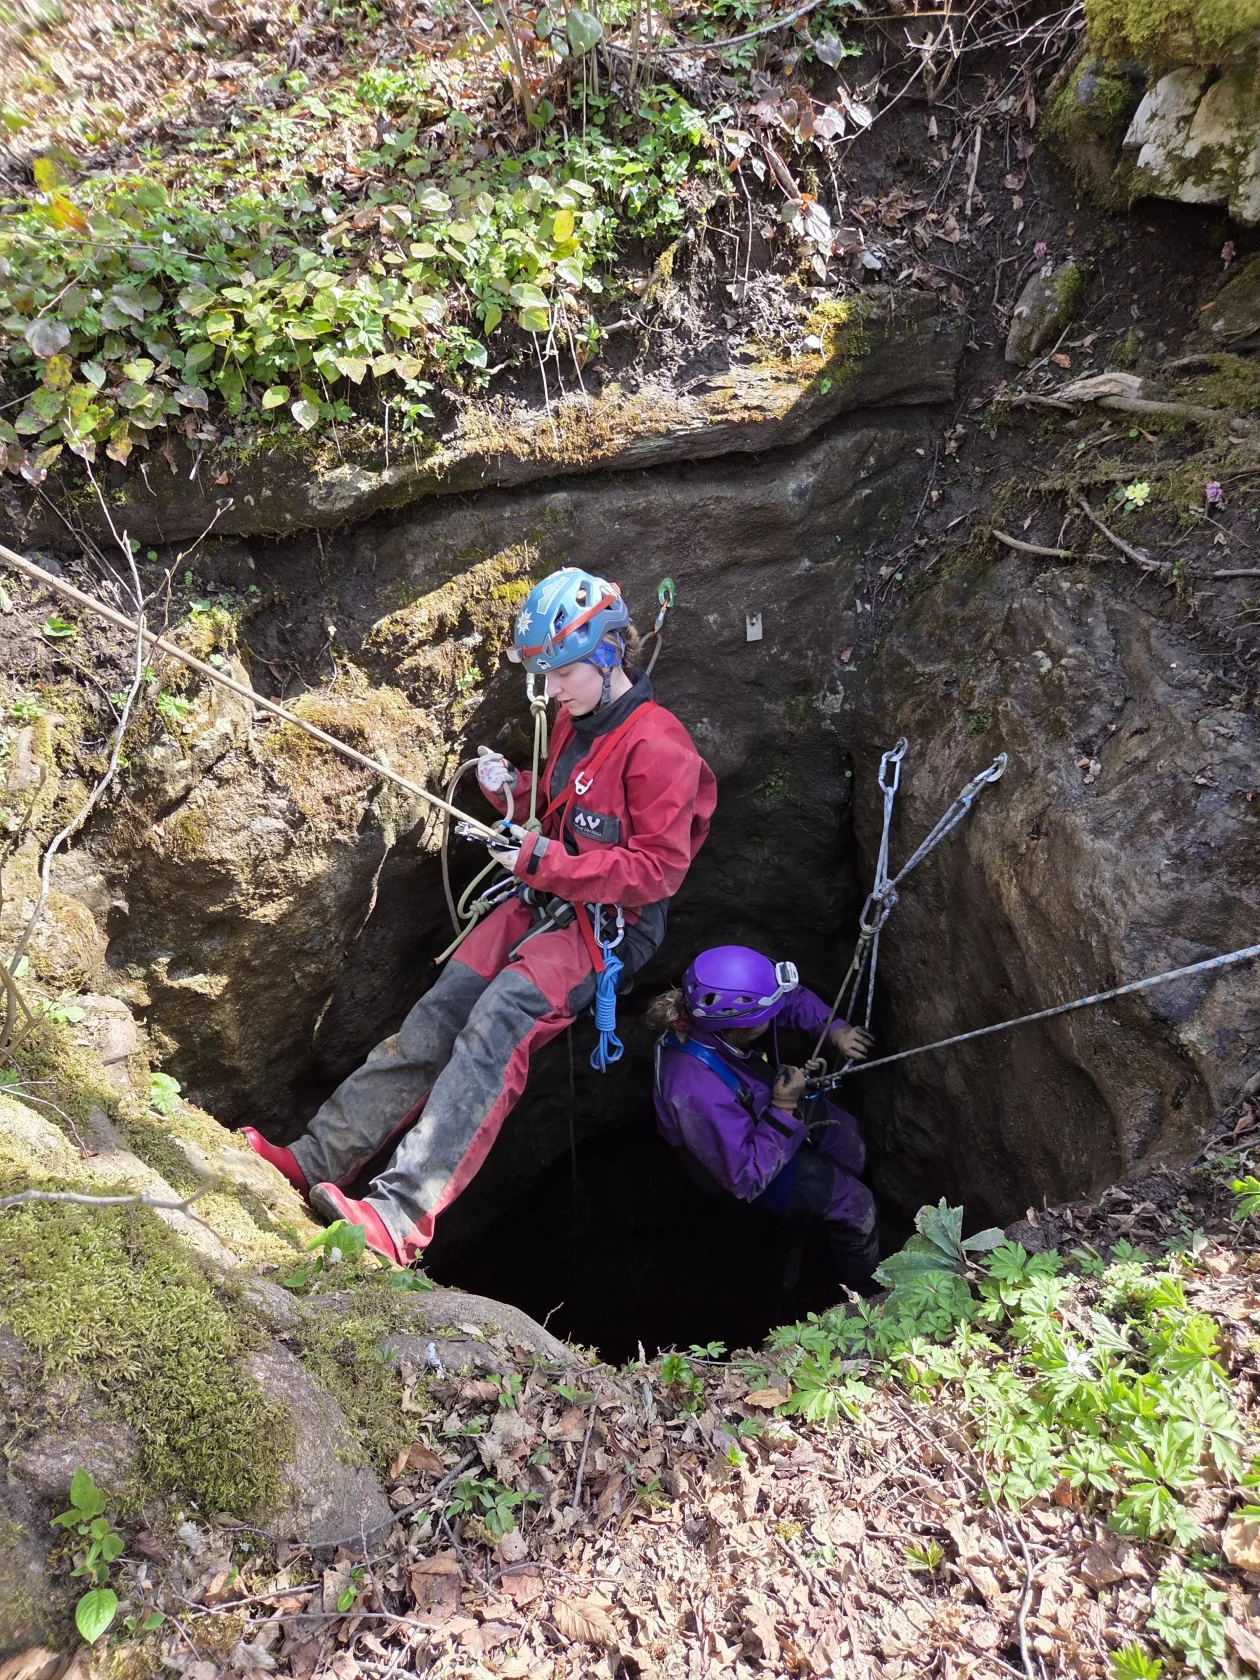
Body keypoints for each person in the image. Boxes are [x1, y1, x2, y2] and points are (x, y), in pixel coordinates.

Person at [244, 567, 717, 1264]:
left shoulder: (660, 748)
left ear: (609, 653)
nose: (552, 689)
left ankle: (399, 1218)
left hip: (608, 926)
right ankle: (314, 1158)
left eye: (562, 672)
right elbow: (566, 811)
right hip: (545, 895)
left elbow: (656, 872)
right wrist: (514, 793)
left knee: (495, 1026)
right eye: (546, 675)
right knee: (436, 1016)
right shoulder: (572, 720)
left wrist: (541, 862)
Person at [651, 945, 880, 1292]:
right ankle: (869, 1294)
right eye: (767, 1016)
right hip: (743, 1163)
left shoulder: (724, 1015)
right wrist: (784, 1107)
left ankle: (830, 1199)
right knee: (857, 1205)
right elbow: (746, 1176)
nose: (777, 1014)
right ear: (738, 1030)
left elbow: (791, 999)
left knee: (850, 1145)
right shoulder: (692, 1090)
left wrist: (835, 1030)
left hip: (763, 1102)